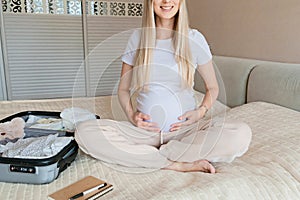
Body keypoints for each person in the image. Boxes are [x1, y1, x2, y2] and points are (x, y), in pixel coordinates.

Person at [75, 0, 252, 173]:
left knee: (241, 133)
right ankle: (174, 164)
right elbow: (123, 89)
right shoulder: (137, 38)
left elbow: (212, 87)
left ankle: (160, 155)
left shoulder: (194, 38)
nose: (167, 1)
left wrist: (201, 111)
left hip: (186, 133)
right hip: (144, 134)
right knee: (85, 132)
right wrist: (131, 115)